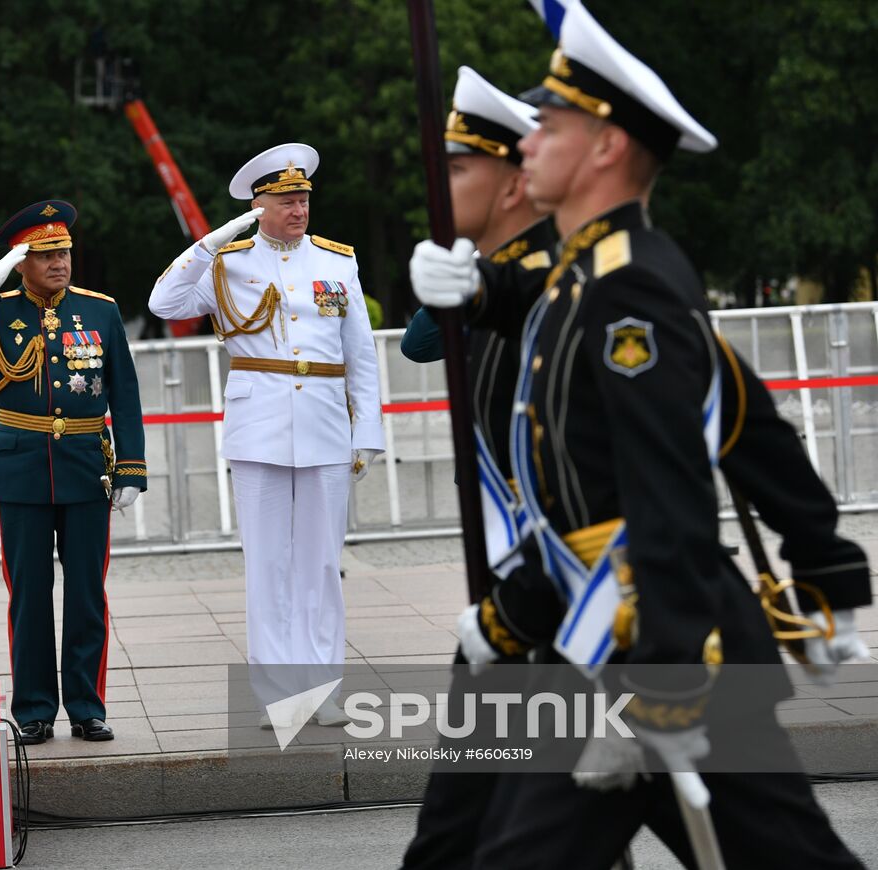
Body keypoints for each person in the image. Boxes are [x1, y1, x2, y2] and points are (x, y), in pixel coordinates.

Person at [410, 5, 869, 867]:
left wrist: (659, 680)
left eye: (550, 123)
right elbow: (745, 411)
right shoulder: (592, 276)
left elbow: (672, 495)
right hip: (615, 640)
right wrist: (475, 294)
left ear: (607, 146)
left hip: (658, 650)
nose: (532, 140)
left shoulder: (632, 288)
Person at [150, 144, 384, 725]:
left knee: (321, 564)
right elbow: (164, 300)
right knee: (268, 566)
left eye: (303, 197)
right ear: (259, 206)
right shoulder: (229, 263)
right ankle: (281, 695)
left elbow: (360, 351)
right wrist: (210, 244)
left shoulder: (337, 262)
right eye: (285, 200)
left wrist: (368, 430)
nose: (299, 208)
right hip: (259, 426)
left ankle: (322, 689)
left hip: (327, 424)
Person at [398, 67, 556, 870]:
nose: (440, 184)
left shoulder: (564, 278)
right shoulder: (486, 271)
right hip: (524, 598)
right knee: (459, 831)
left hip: (578, 604)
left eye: (458, 168)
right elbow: (422, 343)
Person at [0, 201, 145, 744]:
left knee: (88, 592)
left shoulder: (100, 311)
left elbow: (125, 393)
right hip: (22, 464)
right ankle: (35, 709)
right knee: (30, 594)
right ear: (21, 261)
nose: (59, 263)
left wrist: (132, 469)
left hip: (88, 463)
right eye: (44, 255)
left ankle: (88, 706)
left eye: (63, 252)